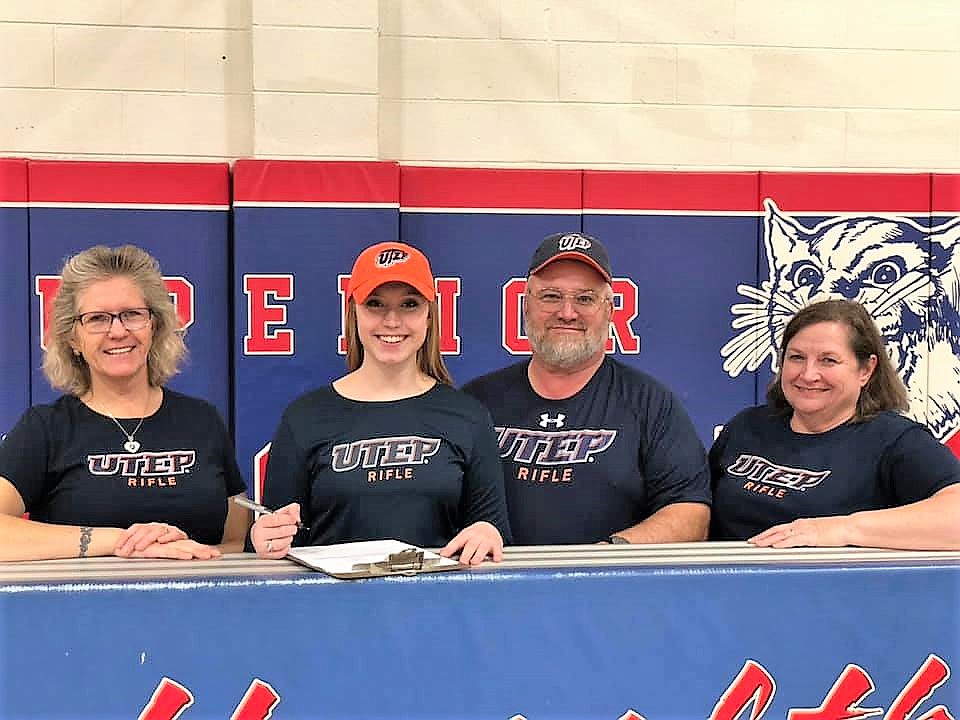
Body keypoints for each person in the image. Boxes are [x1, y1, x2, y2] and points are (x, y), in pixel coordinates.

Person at [250, 242, 510, 565]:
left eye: (409, 304)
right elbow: (279, 542)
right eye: (375, 304)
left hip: (438, 607)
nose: (391, 320)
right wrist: (266, 538)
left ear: (430, 315)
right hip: (332, 610)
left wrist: (487, 532)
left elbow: (493, 530)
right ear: (353, 313)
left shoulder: (467, 416)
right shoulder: (304, 418)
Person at [0, 245, 249, 562]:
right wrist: (119, 541)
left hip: (197, 605)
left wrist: (185, 552)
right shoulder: (46, 428)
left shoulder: (203, 420)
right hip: (79, 610)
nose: (117, 331)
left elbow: (235, 541)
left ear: (154, 325)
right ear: (73, 338)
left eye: (132, 314)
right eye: (97, 319)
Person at [462, 232, 711, 545]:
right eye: (551, 296)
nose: (567, 312)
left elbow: (691, 512)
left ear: (609, 311)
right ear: (526, 307)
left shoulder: (650, 402)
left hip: (611, 590)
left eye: (585, 298)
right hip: (493, 588)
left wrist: (608, 556)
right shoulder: (475, 401)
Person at [710, 298, 960, 549]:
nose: (808, 374)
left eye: (828, 360)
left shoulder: (896, 440)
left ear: (866, 370)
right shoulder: (747, 426)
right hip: (724, 585)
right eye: (796, 357)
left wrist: (842, 529)